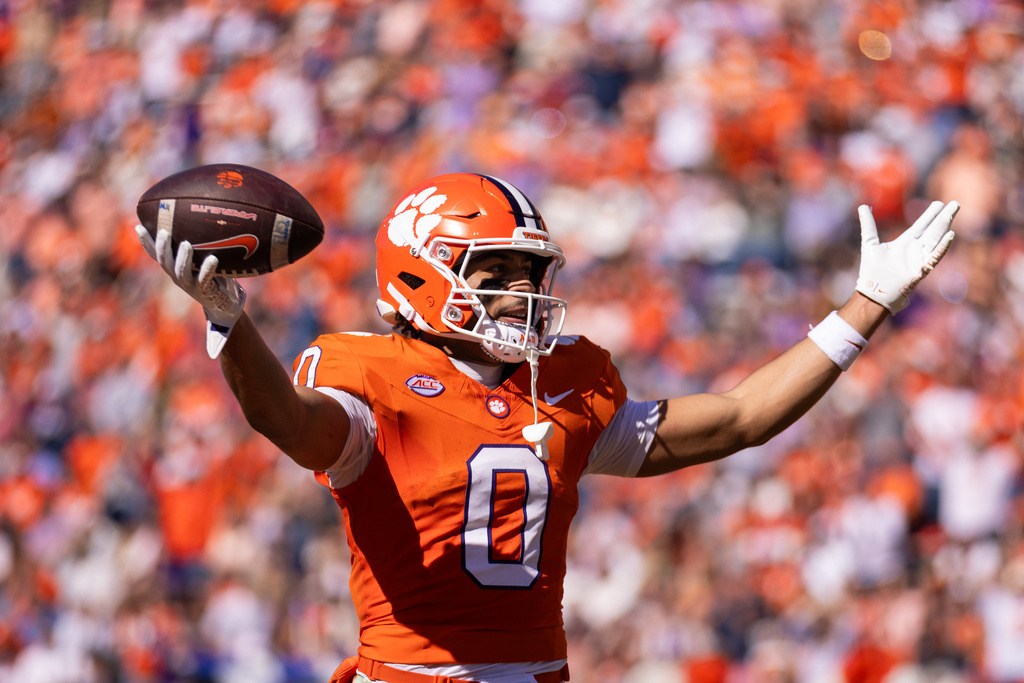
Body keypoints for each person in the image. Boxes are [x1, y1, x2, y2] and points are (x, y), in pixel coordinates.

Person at [134, 172, 959, 683]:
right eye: (492, 272)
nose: (519, 293)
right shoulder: (370, 374)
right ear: (418, 276)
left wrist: (869, 302)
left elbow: (742, 418)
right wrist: (230, 326)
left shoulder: (564, 384)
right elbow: (291, 423)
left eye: (528, 273)